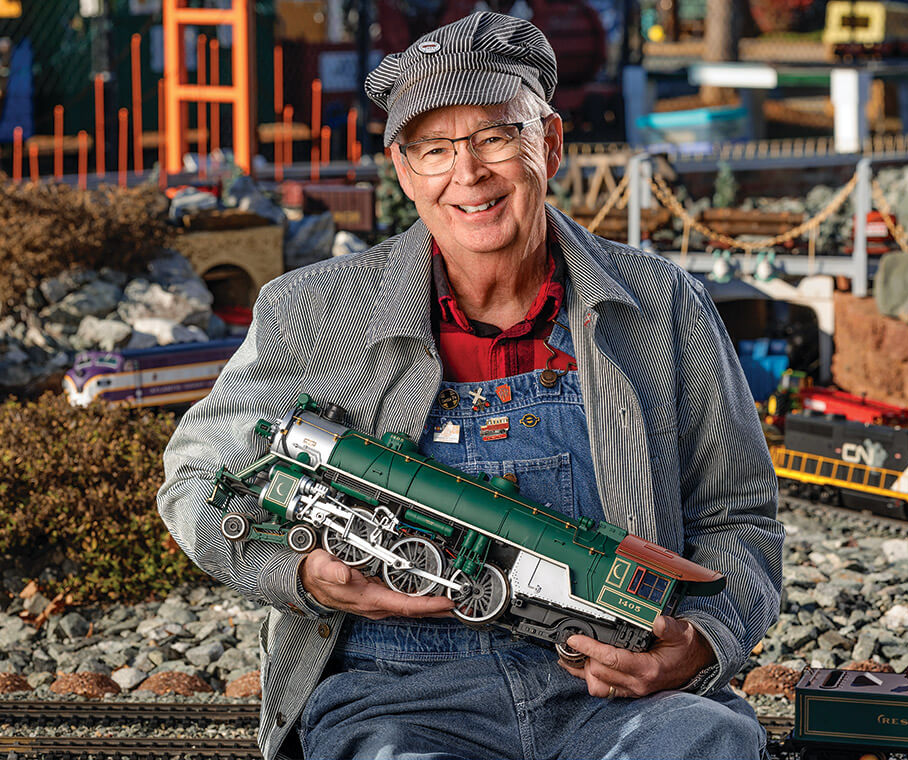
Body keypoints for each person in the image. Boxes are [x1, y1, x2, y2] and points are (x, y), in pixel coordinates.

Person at [158, 11, 783, 760]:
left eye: (495, 137)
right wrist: (300, 575)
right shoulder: (309, 311)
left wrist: (701, 643)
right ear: (401, 170)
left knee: (706, 741)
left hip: (609, 694)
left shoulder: (663, 306)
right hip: (395, 695)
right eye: (433, 148)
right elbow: (193, 478)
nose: (468, 174)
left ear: (548, 144)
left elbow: (740, 515)